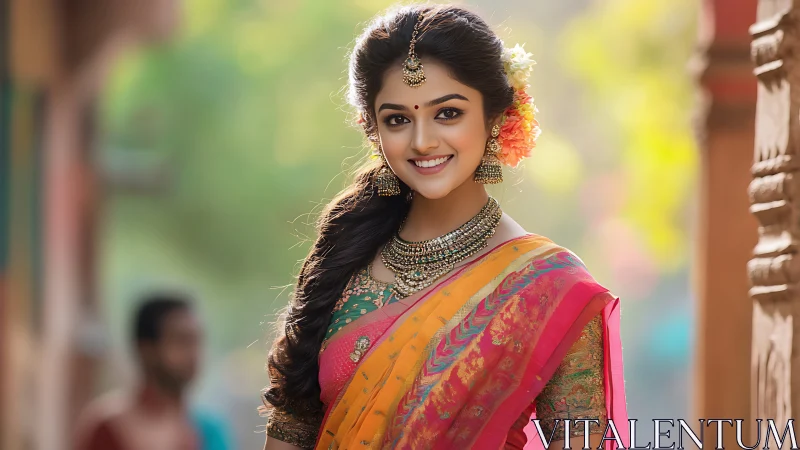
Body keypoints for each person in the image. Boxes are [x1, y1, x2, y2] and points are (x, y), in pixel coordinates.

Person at [261, 4, 628, 450]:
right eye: (398, 119)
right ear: (373, 130)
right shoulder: (343, 260)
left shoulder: (549, 287)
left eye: (447, 113)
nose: (422, 141)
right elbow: (291, 429)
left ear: (495, 115)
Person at [74, 293, 233, 450]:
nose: (193, 354)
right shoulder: (109, 428)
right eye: (181, 341)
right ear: (146, 349)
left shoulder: (210, 432)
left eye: (196, 342)